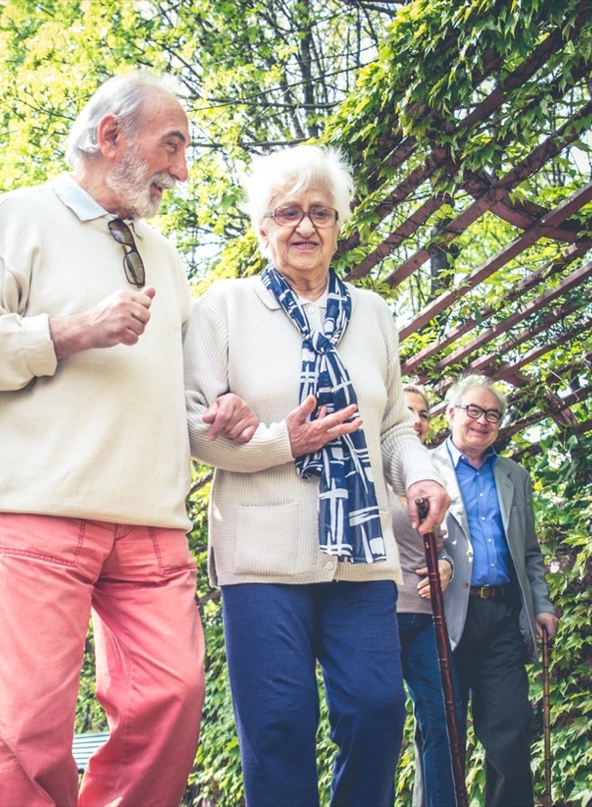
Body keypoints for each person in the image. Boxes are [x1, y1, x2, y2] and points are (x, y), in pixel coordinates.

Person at [0, 71, 256, 807]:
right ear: (110, 136)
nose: (182, 169)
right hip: (36, 511)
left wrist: (217, 413)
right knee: (29, 728)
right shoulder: (16, 217)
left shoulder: (167, 256)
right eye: (171, 146)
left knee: (173, 697)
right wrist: (70, 330)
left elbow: (178, 390)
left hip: (150, 519)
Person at [183, 144, 450, 806]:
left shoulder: (375, 314)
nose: (305, 227)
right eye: (288, 212)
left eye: (320, 213)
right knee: (277, 725)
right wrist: (284, 441)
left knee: (377, 709)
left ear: (339, 225)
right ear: (263, 226)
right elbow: (193, 429)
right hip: (262, 556)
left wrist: (419, 475)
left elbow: (392, 427)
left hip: (359, 558)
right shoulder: (225, 307)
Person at [433, 374, 559, 807]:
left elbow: (529, 551)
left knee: (510, 729)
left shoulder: (514, 475)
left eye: (493, 414)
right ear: (450, 413)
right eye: (473, 410)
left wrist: (541, 605)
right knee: (441, 736)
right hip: (444, 618)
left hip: (502, 618)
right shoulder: (422, 469)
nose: (483, 421)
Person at [393, 383, 460, 806]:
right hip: (378, 614)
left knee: (442, 723)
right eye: (407, 411)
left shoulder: (434, 478)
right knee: (378, 721)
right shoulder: (370, 470)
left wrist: (448, 564)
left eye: (423, 413)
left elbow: (451, 542)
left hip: (428, 619)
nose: (416, 420)